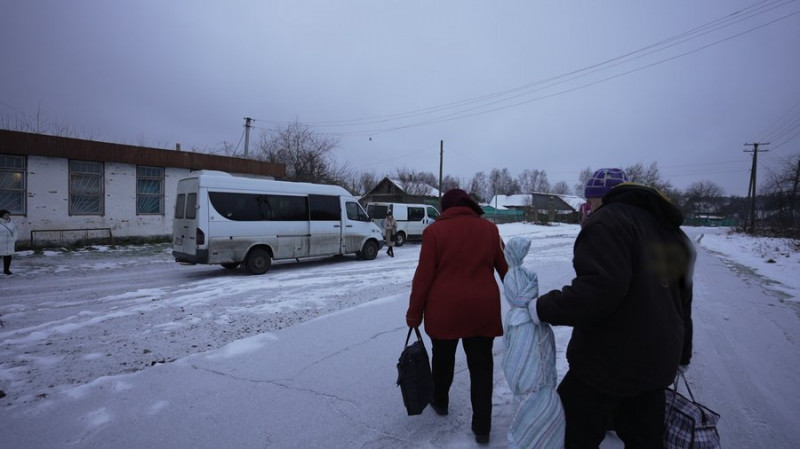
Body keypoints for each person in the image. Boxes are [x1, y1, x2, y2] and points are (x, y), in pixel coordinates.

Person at [528, 168, 695, 448]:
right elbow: (682, 302)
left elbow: (598, 292)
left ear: (600, 198)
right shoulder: (672, 233)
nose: (587, 209)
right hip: (659, 359)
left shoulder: (609, 221)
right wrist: (682, 354)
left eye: (590, 202)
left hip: (610, 360)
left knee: (569, 431)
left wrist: (543, 308)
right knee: (644, 437)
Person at [406, 189, 508, 445]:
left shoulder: (434, 232)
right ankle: (482, 428)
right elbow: (506, 270)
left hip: (445, 311)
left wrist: (414, 313)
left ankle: (440, 401)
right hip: (482, 310)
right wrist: (524, 301)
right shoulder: (490, 230)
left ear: (445, 208)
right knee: (482, 367)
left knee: (443, 359)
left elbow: (424, 277)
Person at [502, 237, 565, 448]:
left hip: (532, 398)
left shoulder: (517, 322)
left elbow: (513, 366)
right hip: (545, 393)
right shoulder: (537, 319)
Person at [0, 209, 19, 275]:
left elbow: (15, 231)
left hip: (9, 243)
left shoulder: (10, 223)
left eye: (8, 215)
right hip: (1, 243)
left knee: (8, 257)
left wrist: (14, 239)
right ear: (1, 215)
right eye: (6, 215)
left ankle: (6, 270)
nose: (8, 216)